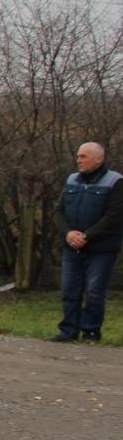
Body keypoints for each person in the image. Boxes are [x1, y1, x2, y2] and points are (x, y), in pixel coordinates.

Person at [54, 141, 123, 342]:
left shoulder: (115, 182)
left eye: (83, 156)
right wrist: (68, 234)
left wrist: (87, 236)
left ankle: (91, 331)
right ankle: (68, 330)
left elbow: (114, 216)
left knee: (94, 291)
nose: (79, 160)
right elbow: (59, 210)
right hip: (72, 245)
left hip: (101, 248)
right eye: (78, 156)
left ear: (98, 159)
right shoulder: (72, 180)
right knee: (69, 289)